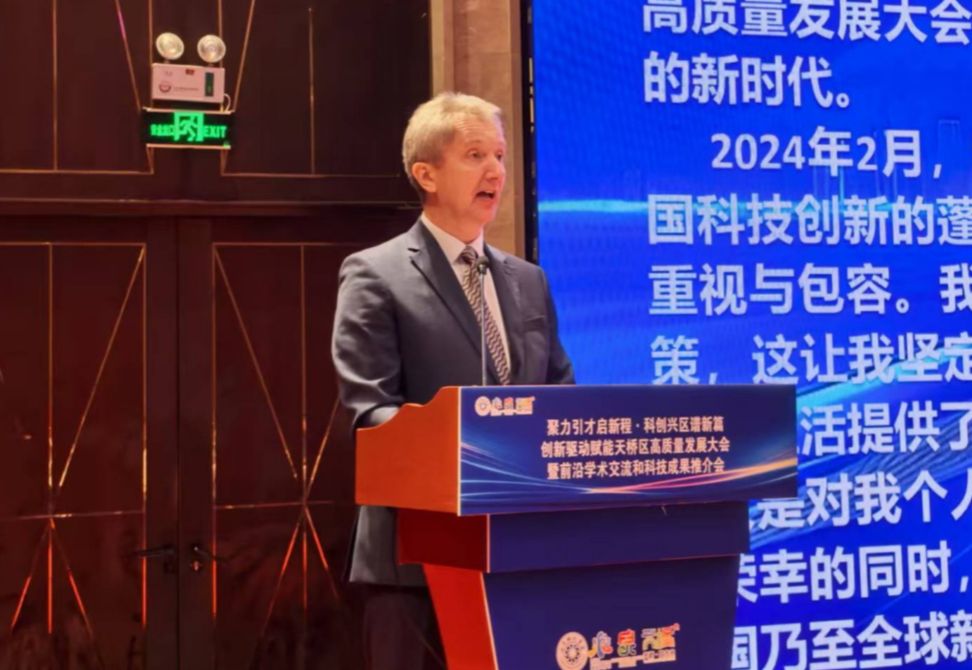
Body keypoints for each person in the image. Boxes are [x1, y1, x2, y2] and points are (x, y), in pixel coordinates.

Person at [331, 92, 574, 670]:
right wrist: (473, 452)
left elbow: (559, 396)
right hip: (414, 561)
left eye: (500, 155)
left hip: (517, 553)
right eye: (474, 155)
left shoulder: (528, 280)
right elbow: (370, 413)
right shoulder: (376, 274)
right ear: (427, 174)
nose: (495, 171)